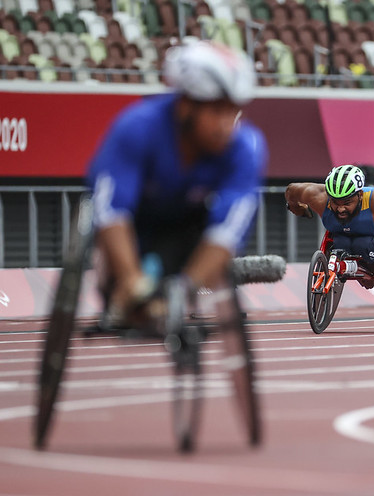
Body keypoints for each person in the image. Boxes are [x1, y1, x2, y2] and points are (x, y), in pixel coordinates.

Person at [86, 40, 268, 325]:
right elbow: (111, 209)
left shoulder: (244, 148)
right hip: (136, 226)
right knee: (124, 287)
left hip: (189, 235)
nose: (226, 125)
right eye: (216, 111)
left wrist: (185, 291)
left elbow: (229, 230)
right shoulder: (137, 127)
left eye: (233, 111)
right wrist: (132, 281)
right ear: (185, 106)